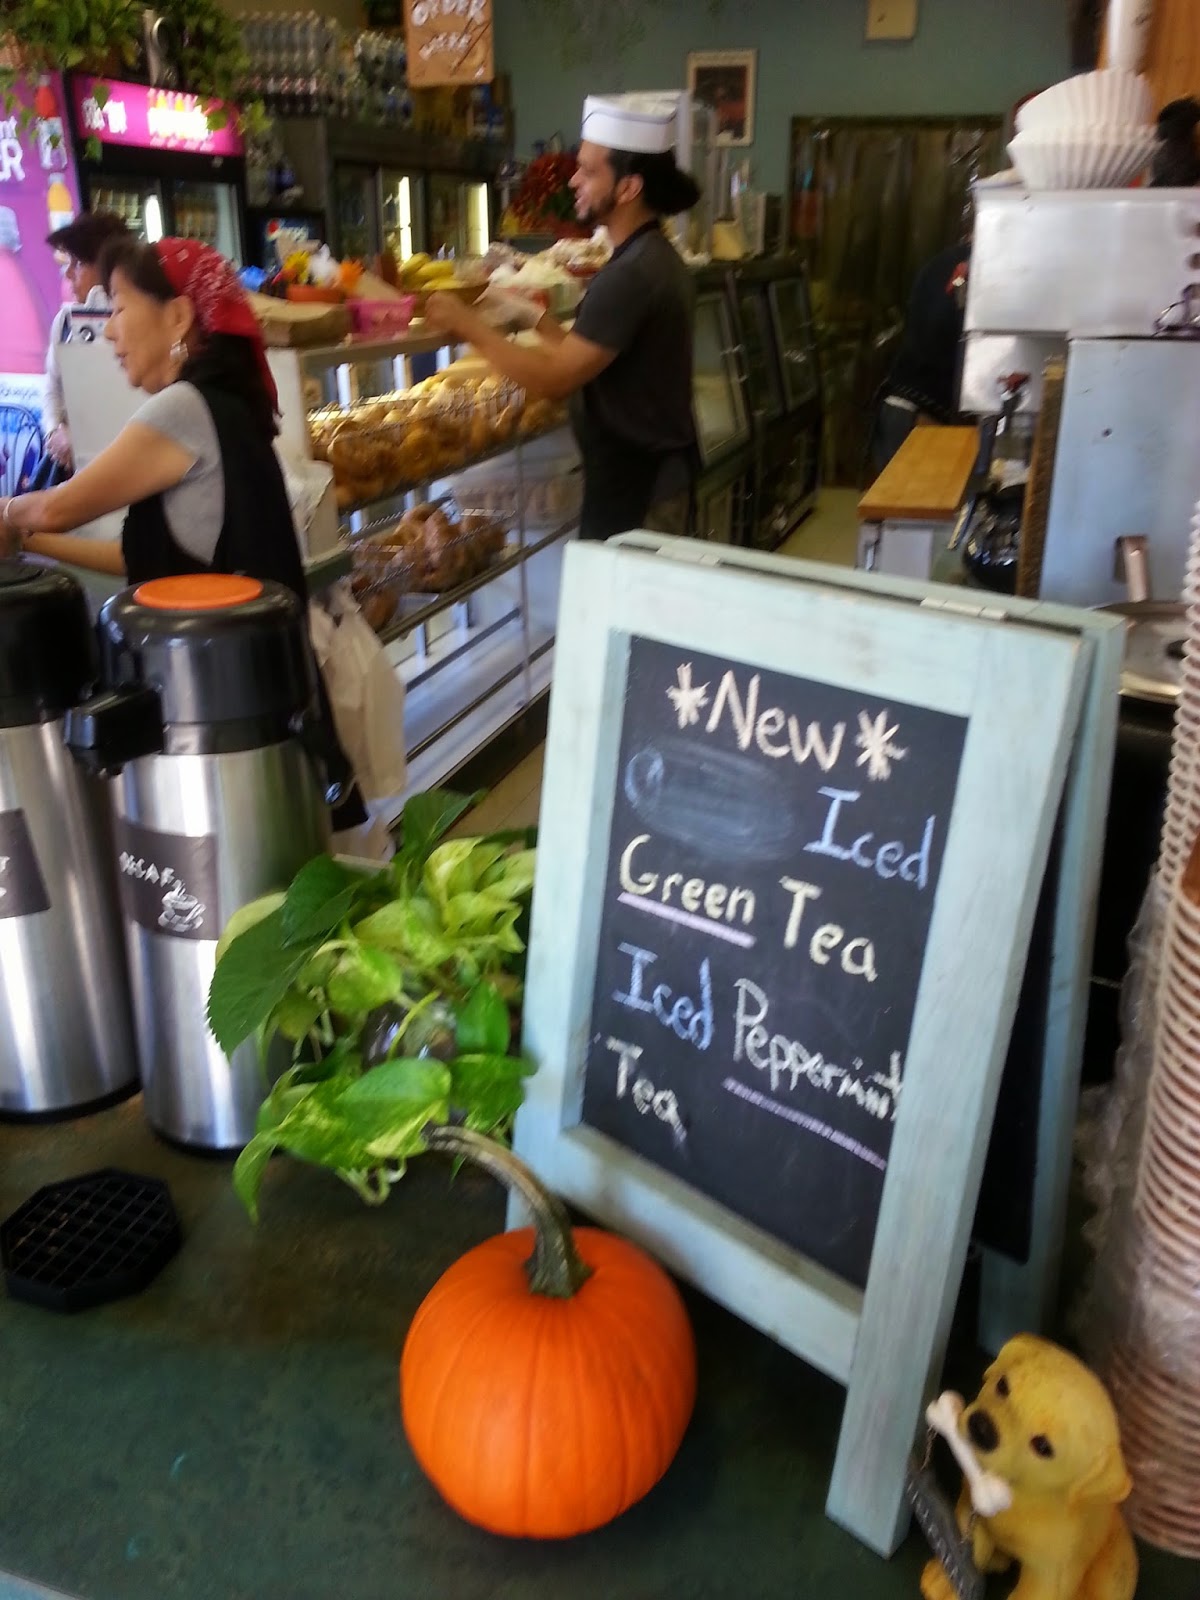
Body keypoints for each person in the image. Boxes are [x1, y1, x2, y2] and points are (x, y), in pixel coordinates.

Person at [0, 235, 365, 829]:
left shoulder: (183, 410)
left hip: (216, 715)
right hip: (258, 702)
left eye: (117, 307)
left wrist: (11, 516)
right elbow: (150, 561)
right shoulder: (227, 406)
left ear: (177, 315)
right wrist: (24, 540)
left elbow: (54, 508)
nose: (109, 332)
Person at [426, 93, 702, 541]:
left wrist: (465, 325)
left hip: (640, 493)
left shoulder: (631, 274)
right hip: (645, 482)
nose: (574, 181)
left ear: (629, 187)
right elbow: (593, 356)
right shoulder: (652, 257)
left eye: (589, 171)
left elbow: (557, 378)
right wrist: (533, 319)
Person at [866, 239, 971, 481]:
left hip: (898, 406)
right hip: (920, 418)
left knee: (899, 509)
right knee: (914, 508)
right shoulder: (973, 269)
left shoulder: (941, 261)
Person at [39, 210, 130, 480]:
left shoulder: (139, 323)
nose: (68, 274)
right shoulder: (65, 322)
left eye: (77, 263)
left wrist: (84, 435)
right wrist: (55, 430)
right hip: (70, 467)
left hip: (120, 467)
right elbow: (52, 387)